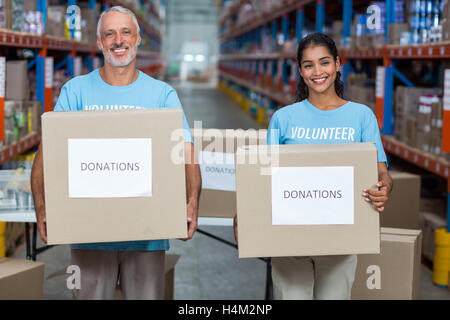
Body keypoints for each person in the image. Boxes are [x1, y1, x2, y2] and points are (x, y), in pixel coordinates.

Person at [30, 6, 202, 300]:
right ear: (99, 42)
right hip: (88, 235)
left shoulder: (161, 94)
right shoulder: (76, 92)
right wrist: (42, 204)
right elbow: (50, 151)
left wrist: (192, 201)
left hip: (147, 234)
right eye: (109, 33)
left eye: (126, 32)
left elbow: (186, 153)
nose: (118, 40)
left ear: (138, 40)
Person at [234, 33, 392, 300]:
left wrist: (384, 188)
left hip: (341, 239)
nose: (317, 72)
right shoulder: (283, 118)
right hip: (289, 239)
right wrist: (245, 214)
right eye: (309, 65)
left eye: (325, 62)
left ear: (338, 64)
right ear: (300, 69)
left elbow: (381, 173)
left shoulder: (361, 116)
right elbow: (266, 178)